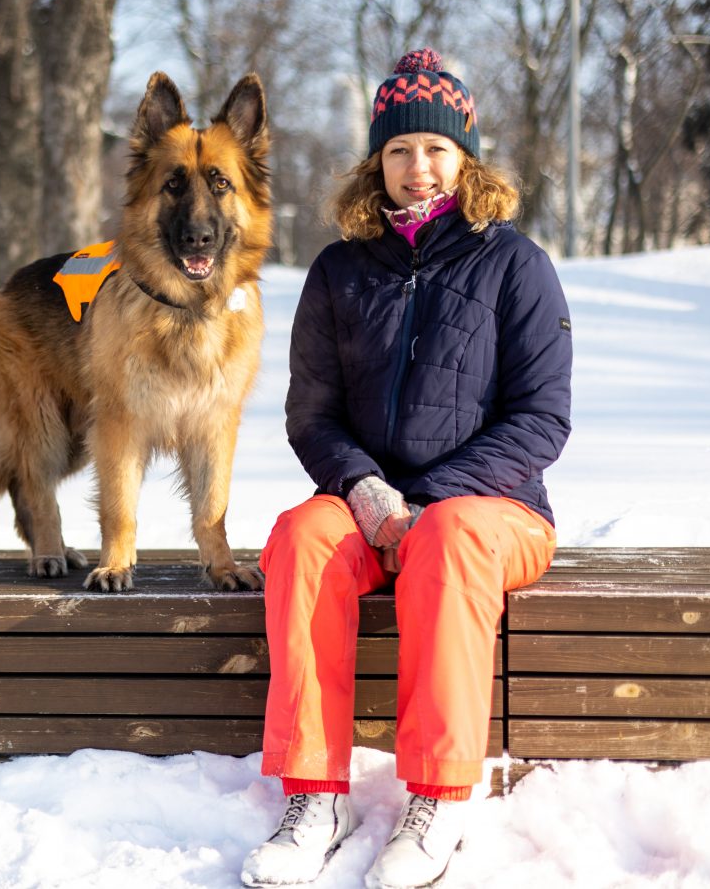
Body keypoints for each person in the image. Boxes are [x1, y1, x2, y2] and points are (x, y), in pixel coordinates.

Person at [240, 48, 573, 889]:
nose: (416, 168)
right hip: (367, 505)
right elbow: (310, 414)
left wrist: (428, 497)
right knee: (300, 535)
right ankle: (316, 794)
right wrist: (361, 485)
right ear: (375, 164)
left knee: (453, 535)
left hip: (494, 512)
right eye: (397, 151)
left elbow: (542, 418)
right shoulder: (339, 272)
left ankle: (438, 797)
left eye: (433, 149)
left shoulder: (515, 264)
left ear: (464, 157)